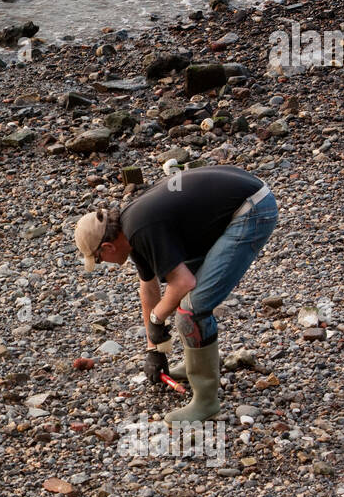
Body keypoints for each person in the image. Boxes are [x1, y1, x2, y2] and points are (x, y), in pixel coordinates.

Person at [74, 165, 277, 422]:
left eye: (100, 259)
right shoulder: (130, 228)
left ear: (107, 246)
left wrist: (158, 320)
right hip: (238, 197)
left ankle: (206, 401)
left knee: (191, 310)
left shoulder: (140, 229)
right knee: (183, 303)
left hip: (252, 209)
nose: (105, 263)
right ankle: (197, 365)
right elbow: (149, 288)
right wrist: (153, 349)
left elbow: (183, 282)